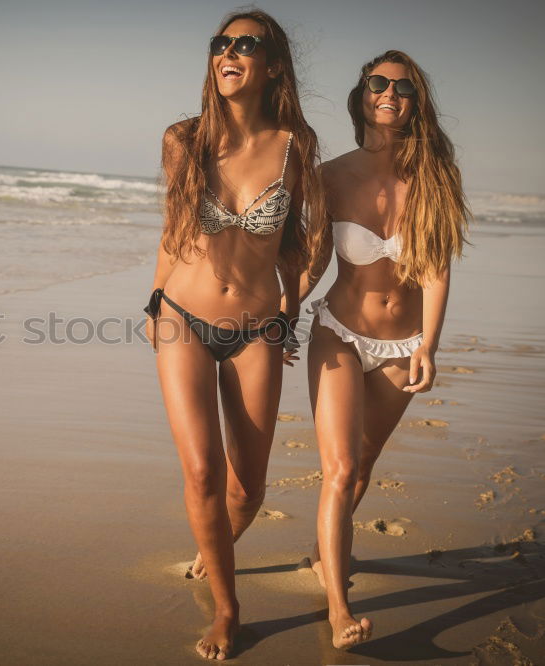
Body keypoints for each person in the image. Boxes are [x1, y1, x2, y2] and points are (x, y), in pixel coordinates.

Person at [143, 9, 326, 661]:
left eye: (246, 44)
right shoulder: (182, 139)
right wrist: (152, 301)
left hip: (256, 330)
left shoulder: (295, 145)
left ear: (273, 65)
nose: (229, 52)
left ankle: (211, 546)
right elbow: (173, 229)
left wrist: (291, 308)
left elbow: (312, 243)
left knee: (249, 488)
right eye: (222, 43)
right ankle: (228, 609)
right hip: (182, 318)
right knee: (201, 472)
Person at [291, 49, 470, 649]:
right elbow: (315, 260)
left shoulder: (436, 178)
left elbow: (438, 269)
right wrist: (277, 314)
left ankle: (324, 552)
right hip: (338, 332)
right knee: (338, 469)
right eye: (378, 82)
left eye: (403, 86)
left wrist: (430, 346)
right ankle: (339, 608)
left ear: (417, 101)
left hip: (403, 343)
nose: (389, 92)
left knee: (363, 465)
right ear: (361, 94)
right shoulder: (331, 175)